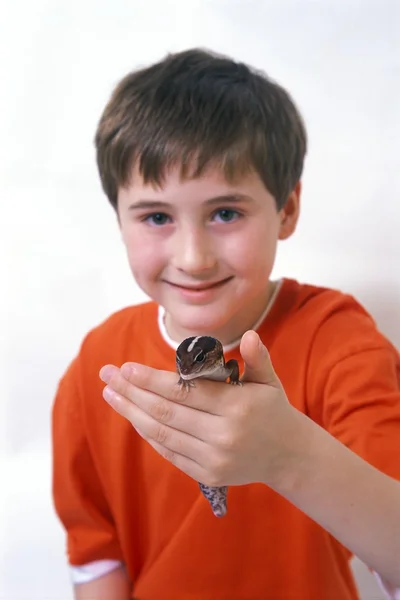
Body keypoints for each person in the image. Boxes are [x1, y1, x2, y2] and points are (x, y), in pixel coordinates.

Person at [51, 48, 400, 600]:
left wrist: (289, 457)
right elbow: (96, 554)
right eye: (157, 217)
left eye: (226, 213)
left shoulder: (339, 341)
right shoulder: (101, 363)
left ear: (286, 209)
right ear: (118, 218)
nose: (193, 257)